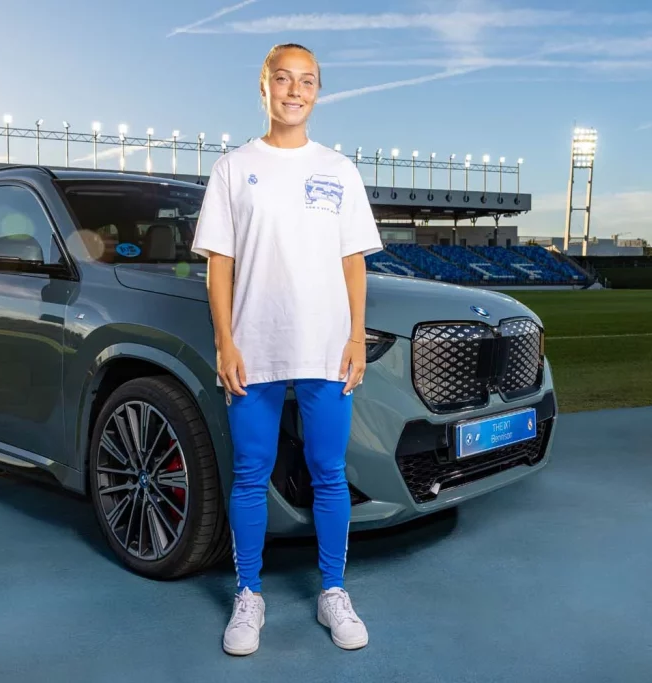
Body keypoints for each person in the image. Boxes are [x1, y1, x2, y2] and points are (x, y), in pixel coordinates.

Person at [190, 43, 383, 656]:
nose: (294, 90)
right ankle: (249, 594)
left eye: (306, 81)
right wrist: (225, 342)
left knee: (329, 474)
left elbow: (353, 262)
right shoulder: (232, 168)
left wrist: (355, 336)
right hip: (254, 348)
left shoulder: (339, 169)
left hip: (327, 348)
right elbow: (219, 265)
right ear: (264, 87)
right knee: (250, 475)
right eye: (283, 79)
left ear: (318, 92)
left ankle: (333, 591)